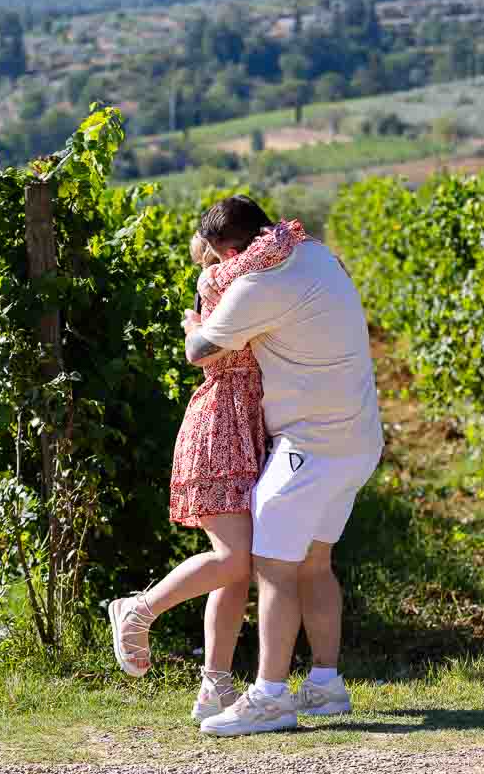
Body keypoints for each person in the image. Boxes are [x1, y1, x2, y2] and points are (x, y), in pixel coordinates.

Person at [186, 196, 384, 737]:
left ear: (229, 251)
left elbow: (201, 351)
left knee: (273, 566)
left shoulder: (256, 285)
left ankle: (270, 696)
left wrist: (193, 319)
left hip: (309, 445)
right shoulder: (313, 252)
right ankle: (324, 685)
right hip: (359, 439)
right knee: (315, 564)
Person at [108, 215, 308, 722]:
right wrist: (280, 233)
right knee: (236, 560)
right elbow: (265, 255)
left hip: (247, 422)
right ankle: (138, 609)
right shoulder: (221, 279)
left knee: (233, 568)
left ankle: (214, 687)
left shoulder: (241, 280)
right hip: (221, 423)